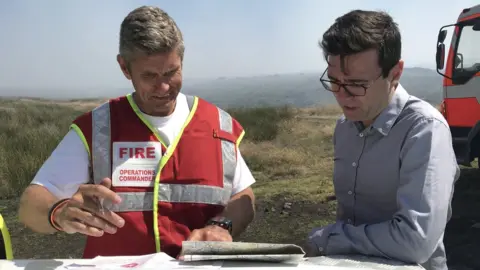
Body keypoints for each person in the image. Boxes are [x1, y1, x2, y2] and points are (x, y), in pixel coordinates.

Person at [18, 5, 256, 260]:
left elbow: (243, 195)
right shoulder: (98, 127)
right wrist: (59, 213)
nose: (163, 86)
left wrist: (223, 225)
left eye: (171, 72)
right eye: (150, 75)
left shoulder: (217, 124)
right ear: (124, 68)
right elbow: (30, 205)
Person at [305, 9, 459, 270]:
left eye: (356, 84)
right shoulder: (344, 128)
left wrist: (328, 238)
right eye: (333, 81)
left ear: (395, 73)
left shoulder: (424, 130)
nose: (342, 96)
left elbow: (416, 241)